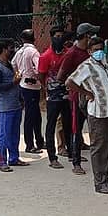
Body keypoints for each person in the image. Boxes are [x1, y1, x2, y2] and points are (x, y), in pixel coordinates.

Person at [67, 37, 108, 194]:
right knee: (98, 146)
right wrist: (87, 93)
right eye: (95, 50)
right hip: (97, 112)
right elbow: (70, 82)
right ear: (89, 51)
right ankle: (99, 181)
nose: (98, 52)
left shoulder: (104, 64)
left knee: (107, 145)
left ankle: (103, 174)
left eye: (100, 49)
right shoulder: (87, 66)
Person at [57, 23, 101, 175]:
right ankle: (76, 161)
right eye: (92, 35)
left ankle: (101, 162)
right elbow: (61, 76)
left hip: (92, 96)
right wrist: (76, 87)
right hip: (78, 97)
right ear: (87, 36)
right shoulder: (72, 54)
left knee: (96, 128)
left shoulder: (91, 52)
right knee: (76, 128)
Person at [0, 39, 27, 172]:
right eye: (11, 48)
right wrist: (13, 82)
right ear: (4, 49)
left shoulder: (9, 64)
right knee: (4, 135)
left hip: (15, 104)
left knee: (14, 134)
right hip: (4, 107)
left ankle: (13, 158)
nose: (13, 51)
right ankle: (1, 161)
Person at [39, 28, 71, 169]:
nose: (60, 39)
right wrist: (45, 94)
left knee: (68, 124)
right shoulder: (45, 56)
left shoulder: (66, 53)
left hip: (66, 94)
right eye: (57, 36)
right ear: (52, 37)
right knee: (51, 125)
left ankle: (72, 153)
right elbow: (41, 76)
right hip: (52, 96)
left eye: (61, 36)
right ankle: (52, 157)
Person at [13, 29, 44, 154]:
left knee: (35, 115)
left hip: (23, 84)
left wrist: (19, 74)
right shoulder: (33, 52)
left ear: (22, 39)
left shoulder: (20, 51)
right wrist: (39, 78)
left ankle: (39, 141)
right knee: (32, 116)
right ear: (34, 38)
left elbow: (13, 63)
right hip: (32, 85)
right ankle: (30, 144)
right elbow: (39, 68)